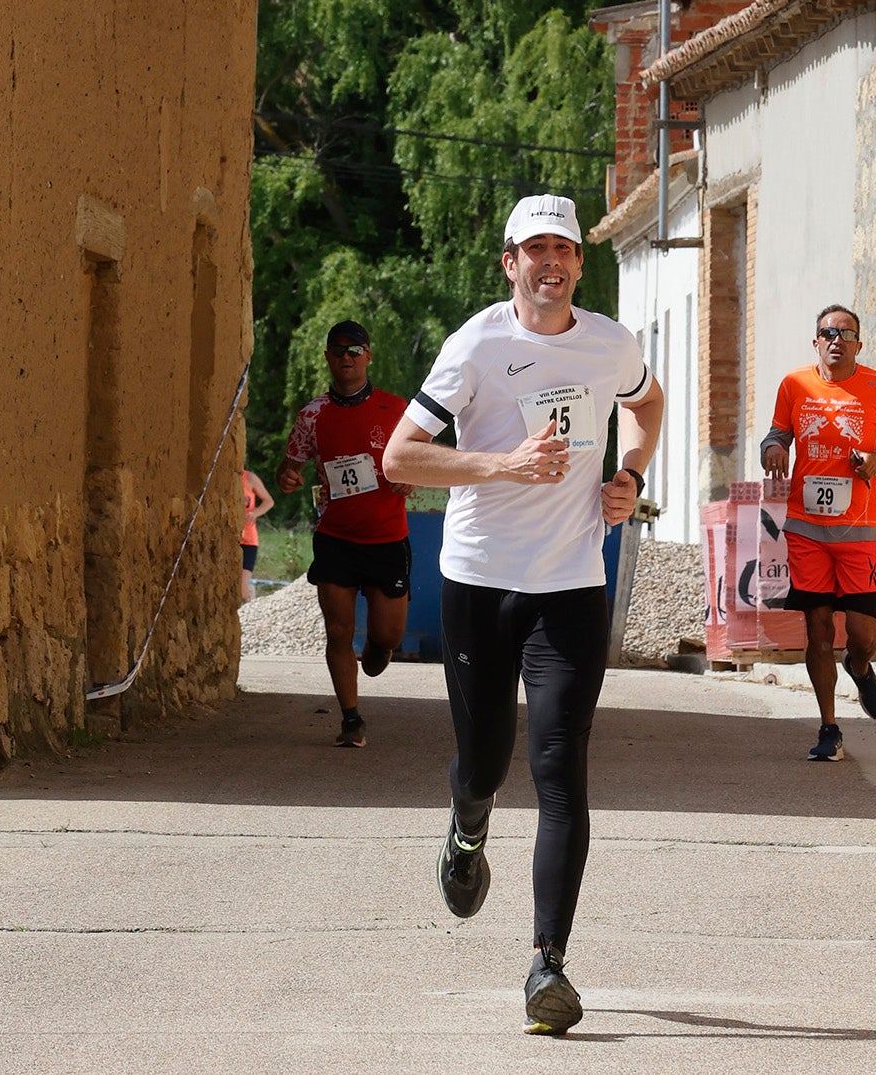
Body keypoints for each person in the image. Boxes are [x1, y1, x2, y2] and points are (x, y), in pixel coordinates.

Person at [383, 194, 663, 1037]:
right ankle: (467, 830)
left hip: (572, 586)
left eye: (564, 250)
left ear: (581, 264)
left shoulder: (611, 344)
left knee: (559, 771)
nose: (550, 263)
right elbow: (399, 458)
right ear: (509, 264)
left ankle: (549, 965)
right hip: (478, 585)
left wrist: (632, 476)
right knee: (485, 766)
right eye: (533, 249)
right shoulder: (476, 345)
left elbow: (646, 408)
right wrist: (500, 463)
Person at [760, 303, 876, 763]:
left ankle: (861, 666)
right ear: (816, 342)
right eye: (827, 333)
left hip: (858, 529)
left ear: (857, 345)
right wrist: (772, 449)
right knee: (818, 630)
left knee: (863, 633)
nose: (835, 340)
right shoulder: (794, 385)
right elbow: (777, 435)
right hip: (807, 528)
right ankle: (829, 728)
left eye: (845, 334)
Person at [277, 320, 411, 748]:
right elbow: (289, 466)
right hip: (335, 536)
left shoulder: (397, 410)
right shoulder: (312, 415)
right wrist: (287, 477)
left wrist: (411, 477)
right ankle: (351, 720)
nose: (347, 357)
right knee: (337, 631)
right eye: (339, 350)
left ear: (369, 356)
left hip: (387, 538)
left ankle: (378, 645)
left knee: (388, 637)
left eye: (356, 350)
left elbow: (418, 460)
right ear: (328, 358)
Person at [240, 468, 274, 603]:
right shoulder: (221, 478)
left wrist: (255, 513)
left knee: (241, 590)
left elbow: (269, 501)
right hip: (229, 540)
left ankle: (248, 592)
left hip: (248, 540)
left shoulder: (249, 478)